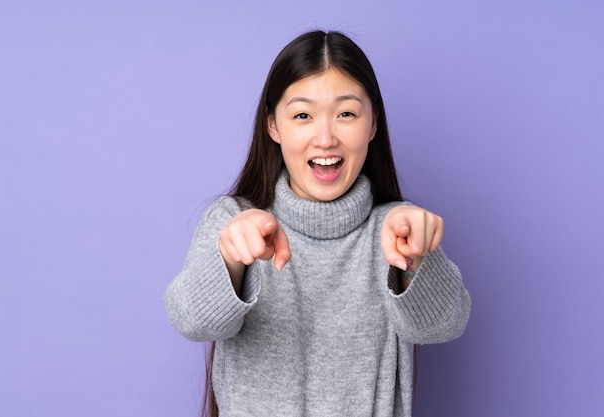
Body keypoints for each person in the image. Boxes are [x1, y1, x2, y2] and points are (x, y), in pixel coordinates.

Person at [165, 30, 471, 417]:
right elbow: (190, 320)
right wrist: (231, 259)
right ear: (273, 126)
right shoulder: (233, 221)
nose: (325, 139)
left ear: (372, 124)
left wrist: (417, 261)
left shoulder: (398, 229)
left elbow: (442, 326)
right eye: (303, 116)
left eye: (346, 114)